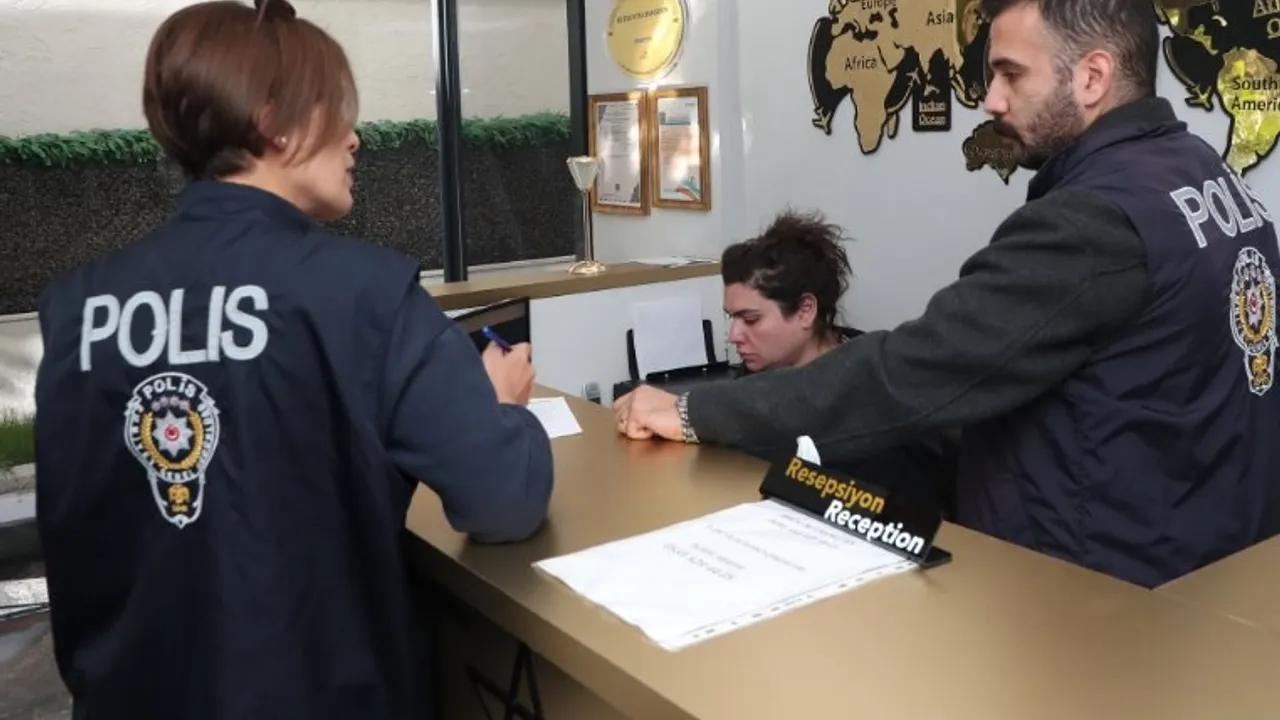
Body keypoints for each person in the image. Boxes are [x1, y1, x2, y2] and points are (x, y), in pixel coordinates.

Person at [615, 0, 1280, 589]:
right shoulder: (1204, 174)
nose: (991, 99)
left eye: (1011, 73)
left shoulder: (1093, 221)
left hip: (1094, 594)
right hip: (1201, 560)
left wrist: (697, 412)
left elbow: (917, 370)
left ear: (1093, 76)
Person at [32, 1, 553, 717]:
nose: (355, 137)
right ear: (273, 120)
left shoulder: (77, 308)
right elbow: (503, 500)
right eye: (336, 110)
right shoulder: (367, 296)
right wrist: (500, 409)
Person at [720, 209, 954, 514]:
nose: (733, 336)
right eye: (731, 318)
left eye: (750, 319)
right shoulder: (751, 381)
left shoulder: (876, 404)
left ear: (806, 310)